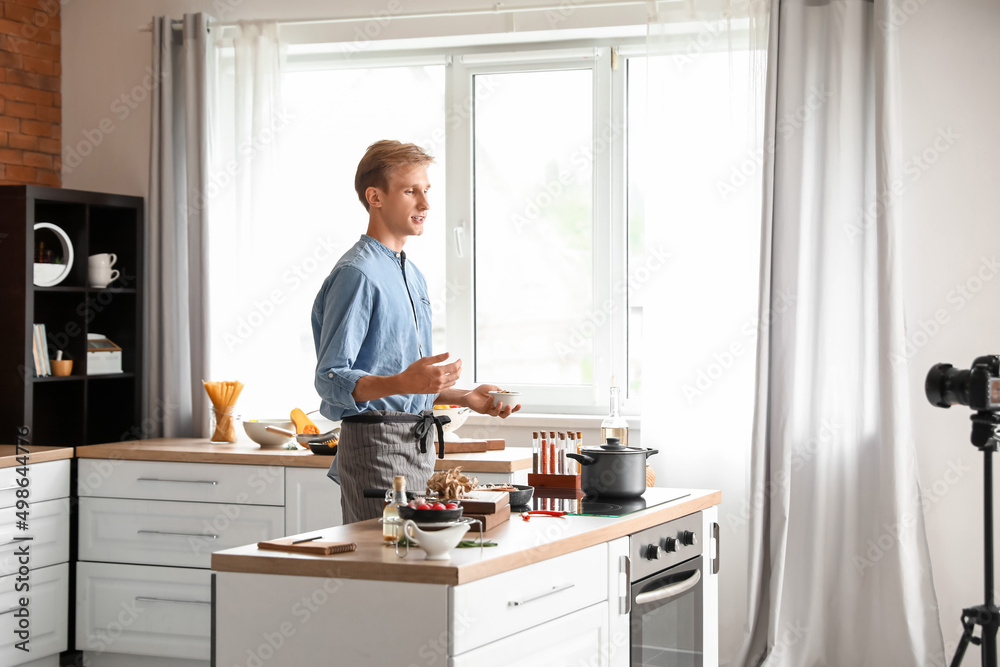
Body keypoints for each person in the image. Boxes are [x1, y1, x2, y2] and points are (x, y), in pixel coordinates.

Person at [312, 140, 520, 524]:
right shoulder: (356, 275)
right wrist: (405, 381)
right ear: (375, 196)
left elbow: (403, 380)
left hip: (417, 444)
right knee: (389, 568)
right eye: (411, 191)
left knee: (415, 566)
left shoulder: (412, 274)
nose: (425, 204)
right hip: (375, 445)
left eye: (426, 191)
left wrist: (463, 396)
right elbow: (331, 379)